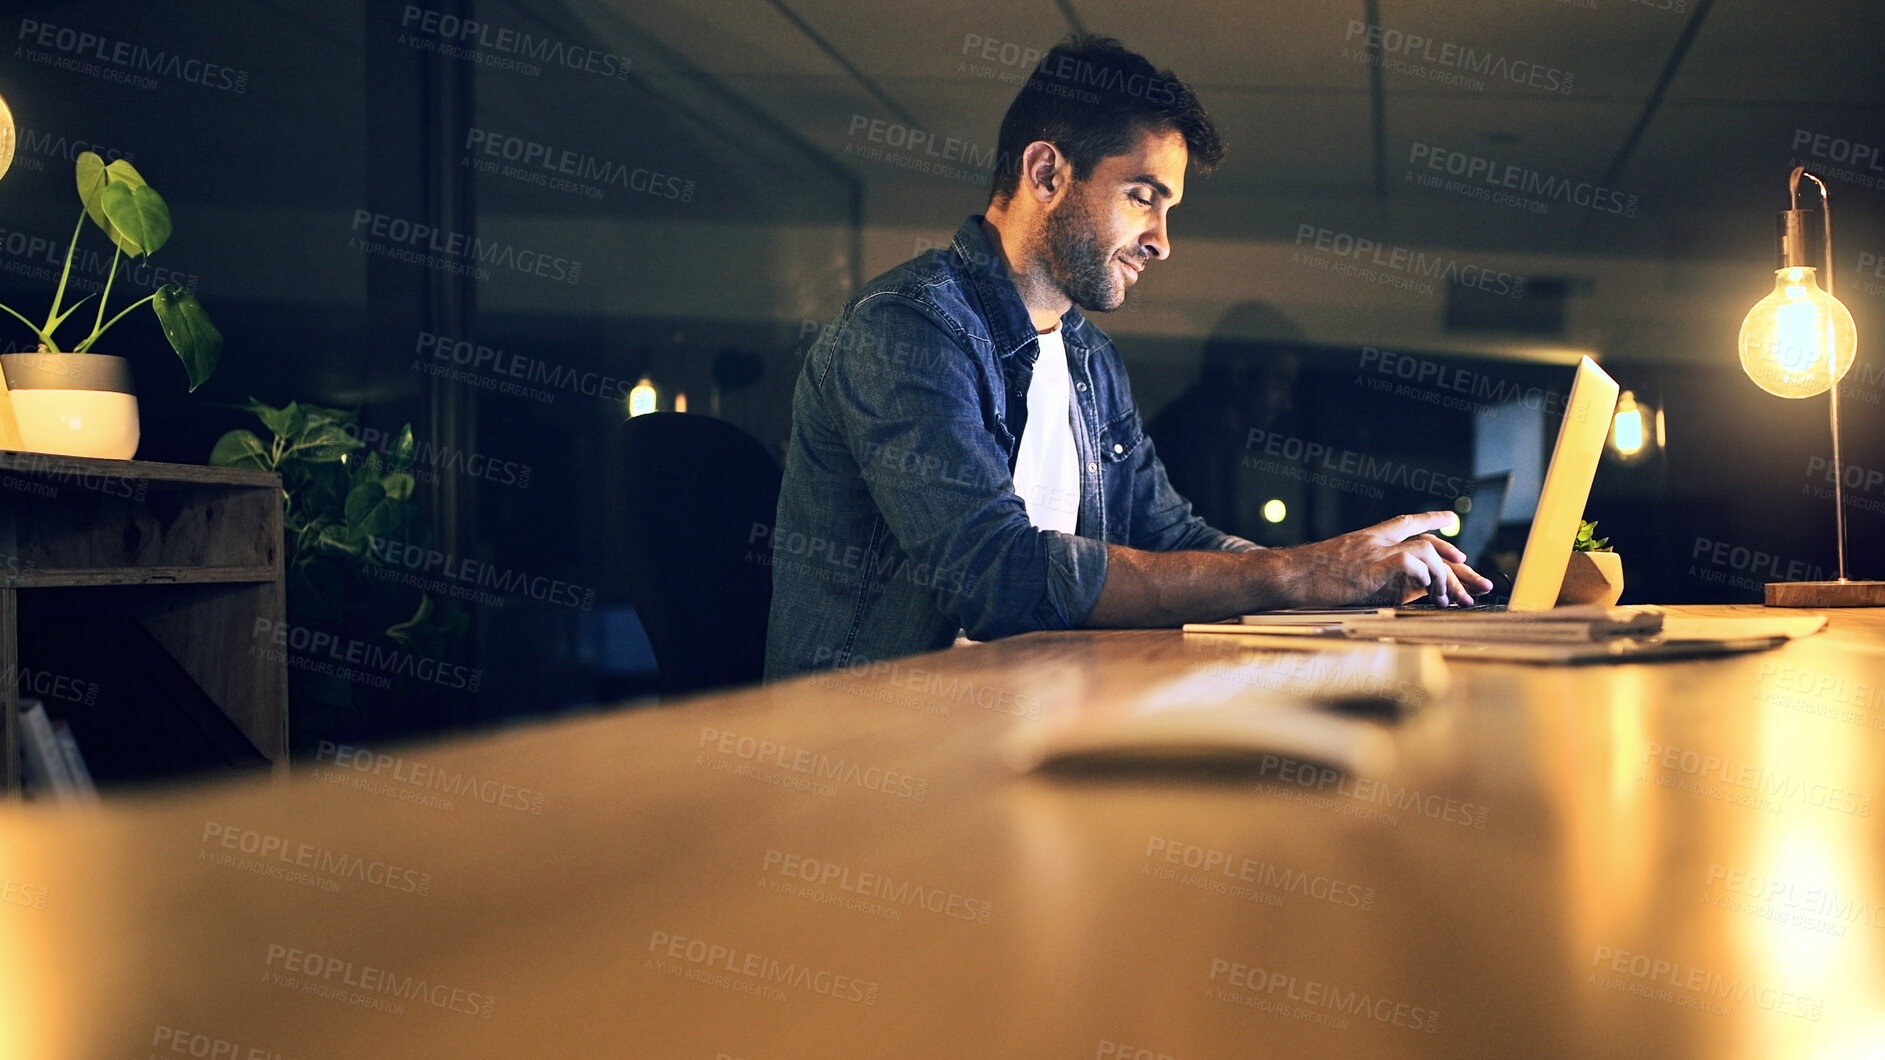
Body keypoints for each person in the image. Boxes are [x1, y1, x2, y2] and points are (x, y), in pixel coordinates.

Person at [764, 35, 1489, 679]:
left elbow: (1167, 534)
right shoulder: (906, 330)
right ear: (1046, 173)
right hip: (880, 752)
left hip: (1033, 713)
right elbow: (996, 578)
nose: (1161, 241)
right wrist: (1297, 575)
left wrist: (1349, 578)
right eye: (1142, 196)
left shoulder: (1087, 357)